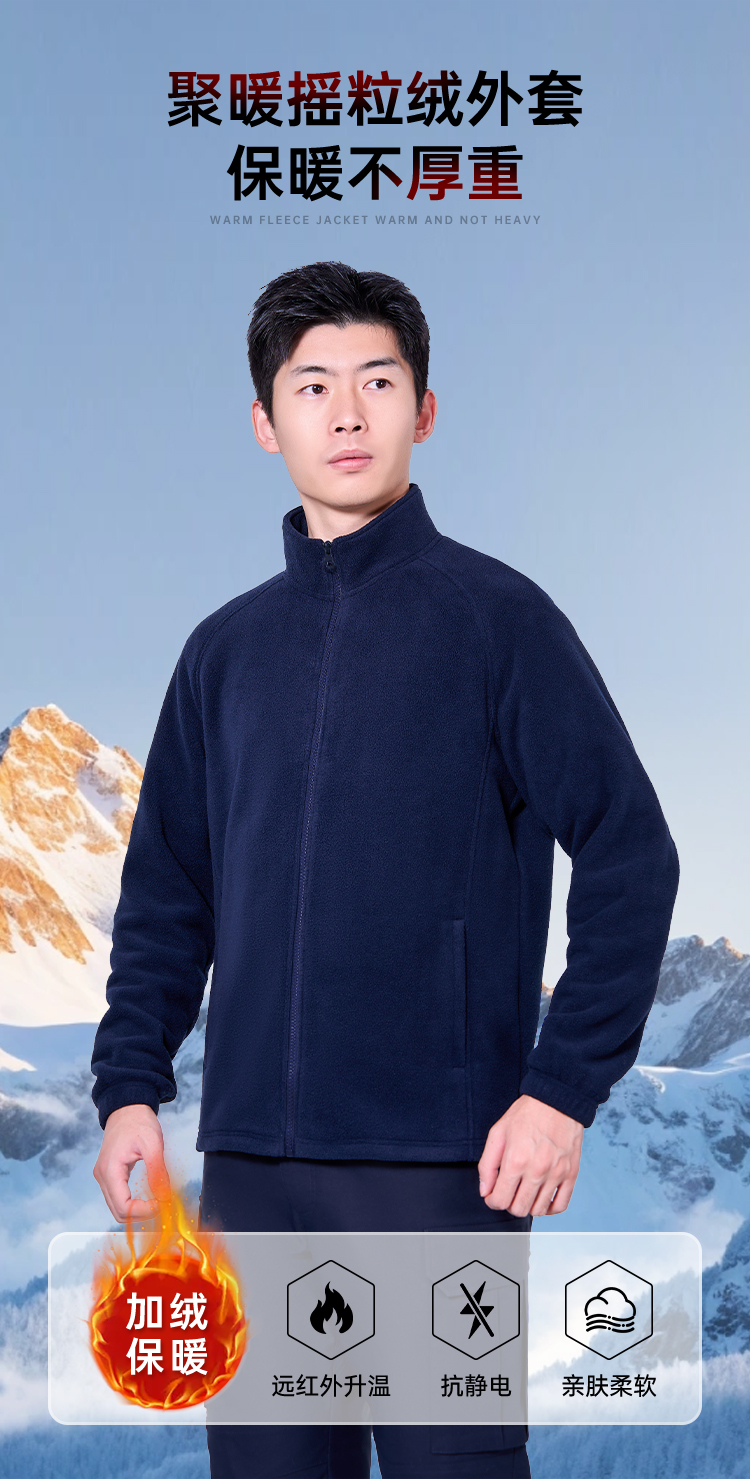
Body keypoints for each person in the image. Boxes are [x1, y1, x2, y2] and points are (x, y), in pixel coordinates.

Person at [91, 261, 680, 1479]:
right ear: (267, 423)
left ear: (425, 408)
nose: (347, 413)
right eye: (312, 386)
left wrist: (561, 1089)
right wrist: (130, 1088)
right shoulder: (219, 655)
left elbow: (631, 849)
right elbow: (168, 899)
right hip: (250, 1172)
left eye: (378, 380)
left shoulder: (500, 620)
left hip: (441, 1169)